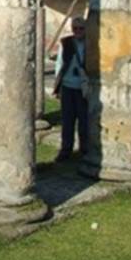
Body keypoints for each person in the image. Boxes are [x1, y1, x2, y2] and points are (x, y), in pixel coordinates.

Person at [52, 16, 88, 161]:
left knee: (84, 120)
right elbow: (59, 63)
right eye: (75, 28)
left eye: (81, 28)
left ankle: (84, 149)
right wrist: (58, 85)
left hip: (83, 87)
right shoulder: (65, 42)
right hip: (67, 86)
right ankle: (66, 149)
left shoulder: (90, 43)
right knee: (67, 120)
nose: (78, 31)